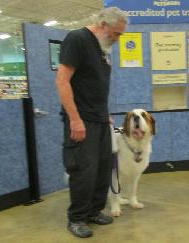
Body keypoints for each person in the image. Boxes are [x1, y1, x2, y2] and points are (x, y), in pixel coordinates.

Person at [55, 7, 128, 238]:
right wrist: (75, 119)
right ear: (103, 24)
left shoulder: (102, 48)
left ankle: (94, 211)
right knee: (83, 172)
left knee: (102, 169)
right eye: (116, 33)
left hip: (99, 119)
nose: (117, 39)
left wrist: (103, 114)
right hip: (81, 120)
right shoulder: (77, 39)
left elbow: (94, 86)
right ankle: (76, 218)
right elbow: (62, 81)